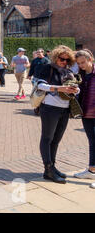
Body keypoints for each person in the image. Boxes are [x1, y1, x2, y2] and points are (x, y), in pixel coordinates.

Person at [36, 45, 80, 184]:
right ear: (56, 57)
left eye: (67, 60)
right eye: (62, 59)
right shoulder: (48, 68)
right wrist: (59, 88)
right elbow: (40, 86)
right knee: (47, 138)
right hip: (50, 108)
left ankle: (52, 167)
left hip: (65, 109)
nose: (64, 62)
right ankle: (48, 168)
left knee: (56, 139)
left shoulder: (68, 72)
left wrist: (75, 90)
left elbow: (75, 89)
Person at [73, 50, 95, 187]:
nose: (81, 65)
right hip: (86, 113)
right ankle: (91, 170)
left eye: (83, 62)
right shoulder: (80, 75)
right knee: (92, 142)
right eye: (79, 63)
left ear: (90, 59)